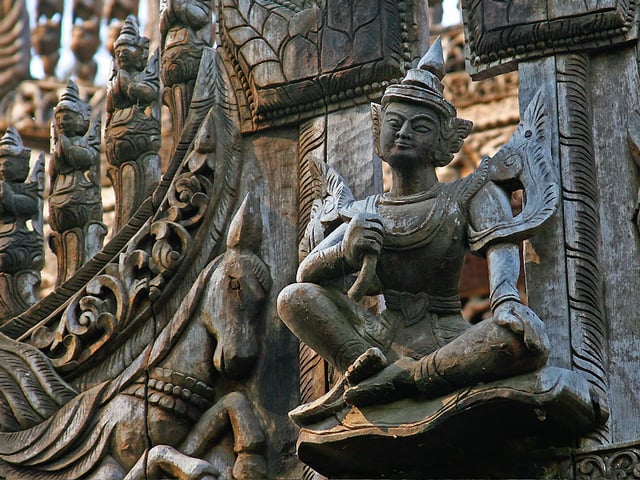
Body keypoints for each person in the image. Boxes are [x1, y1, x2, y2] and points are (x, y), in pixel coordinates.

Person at [277, 39, 551, 424]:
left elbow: (502, 259)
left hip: (448, 336)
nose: (404, 133)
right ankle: (376, 369)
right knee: (292, 298)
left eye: (420, 127)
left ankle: (404, 380)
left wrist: (507, 304)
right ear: (378, 134)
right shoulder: (365, 212)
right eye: (395, 124)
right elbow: (306, 279)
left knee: (519, 338)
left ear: (446, 143)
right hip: (377, 340)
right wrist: (345, 252)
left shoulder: (468, 195)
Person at [0, 127, 42, 274]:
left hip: (18, 236)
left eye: (8, 164)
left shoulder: (24, 188)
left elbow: (31, 206)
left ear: (22, 167)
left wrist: (9, 198)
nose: (3, 169)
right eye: (0, 165)